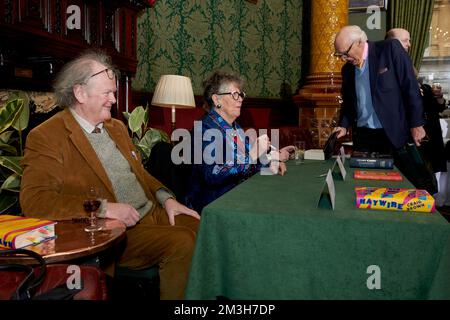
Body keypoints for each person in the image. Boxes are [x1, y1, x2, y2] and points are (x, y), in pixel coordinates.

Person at [20, 50, 200, 300]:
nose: (114, 99)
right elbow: (37, 202)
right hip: (117, 232)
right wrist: (104, 209)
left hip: (153, 214)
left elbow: (140, 173)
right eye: (107, 93)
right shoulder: (47, 136)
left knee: (204, 228)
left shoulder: (116, 127)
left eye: (113, 92)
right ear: (80, 93)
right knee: (182, 242)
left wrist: (166, 199)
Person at [332, 25, 434, 192]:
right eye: (339, 55)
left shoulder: (389, 49)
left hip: (392, 135)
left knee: (399, 188)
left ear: (359, 42)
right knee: (366, 187)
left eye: (345, 53)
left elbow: (410, 87)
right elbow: (350, 103)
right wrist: (343, 125)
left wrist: (417, 124)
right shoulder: (347, 70)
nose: (343, 58)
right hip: (364, 137)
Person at [185, 71, 294, 213]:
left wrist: (272, 161)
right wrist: (253, 155)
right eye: (235, 95)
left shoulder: (234, 126)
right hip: (213, 206)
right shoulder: (204, 129)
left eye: (241, 95)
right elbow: (213, 174)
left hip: (239, 196)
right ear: (217, 100)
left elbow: (249, 165)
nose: (240, 99)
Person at [387, 28, 448, 204]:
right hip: (409, 139)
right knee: (413, 186)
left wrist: (436, 98)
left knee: (425, 184)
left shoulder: (409, 65)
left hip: (426, 134)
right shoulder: (387, 67)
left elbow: (428, 104)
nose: (409, 45)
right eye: (405, 40)